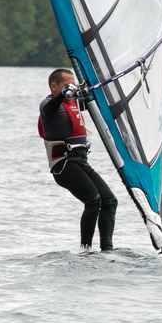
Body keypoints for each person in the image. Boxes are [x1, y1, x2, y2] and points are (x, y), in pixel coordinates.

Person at [38, 68, 117, 251]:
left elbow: (93, 100)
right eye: (67, 86)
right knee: (93, 200)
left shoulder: (74, 102)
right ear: (54, 86)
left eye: (72, 86)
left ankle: (107, 249)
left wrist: (90, 89)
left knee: (110, 200)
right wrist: (63, 95)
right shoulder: (48, 104)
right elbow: (49, 108)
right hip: (64, 165)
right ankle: (86, 249)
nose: (71, 90)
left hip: (81, 163)